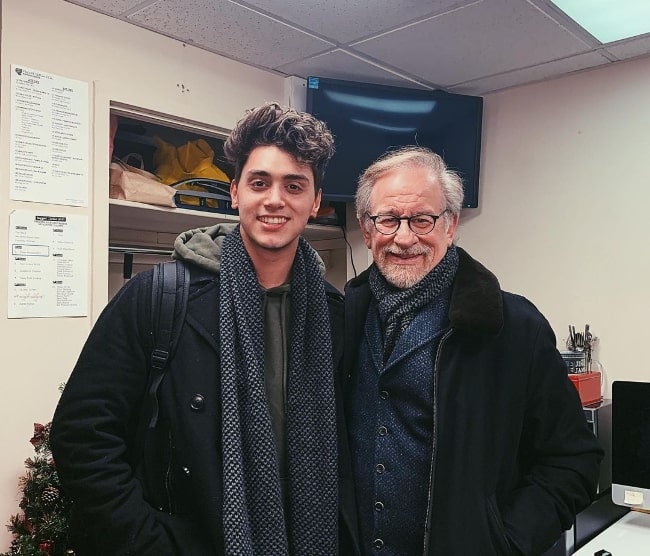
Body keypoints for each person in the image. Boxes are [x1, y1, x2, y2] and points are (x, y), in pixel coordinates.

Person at [51, 102, 358, 555]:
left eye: (294, 185)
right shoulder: (157, 297)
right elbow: (81, 436)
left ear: (314, 202)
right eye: (260, 182)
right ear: (235, 192)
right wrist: (149, 542)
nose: (275, 199)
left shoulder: (334, 315)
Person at [343, 146, 603, 555]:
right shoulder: (344, 317)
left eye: (422, 219)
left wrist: (505, 542)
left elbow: (573, 462)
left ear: (450, 224)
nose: (405, 237)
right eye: (389, 220)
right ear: (366, 226)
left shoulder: (515, 327)